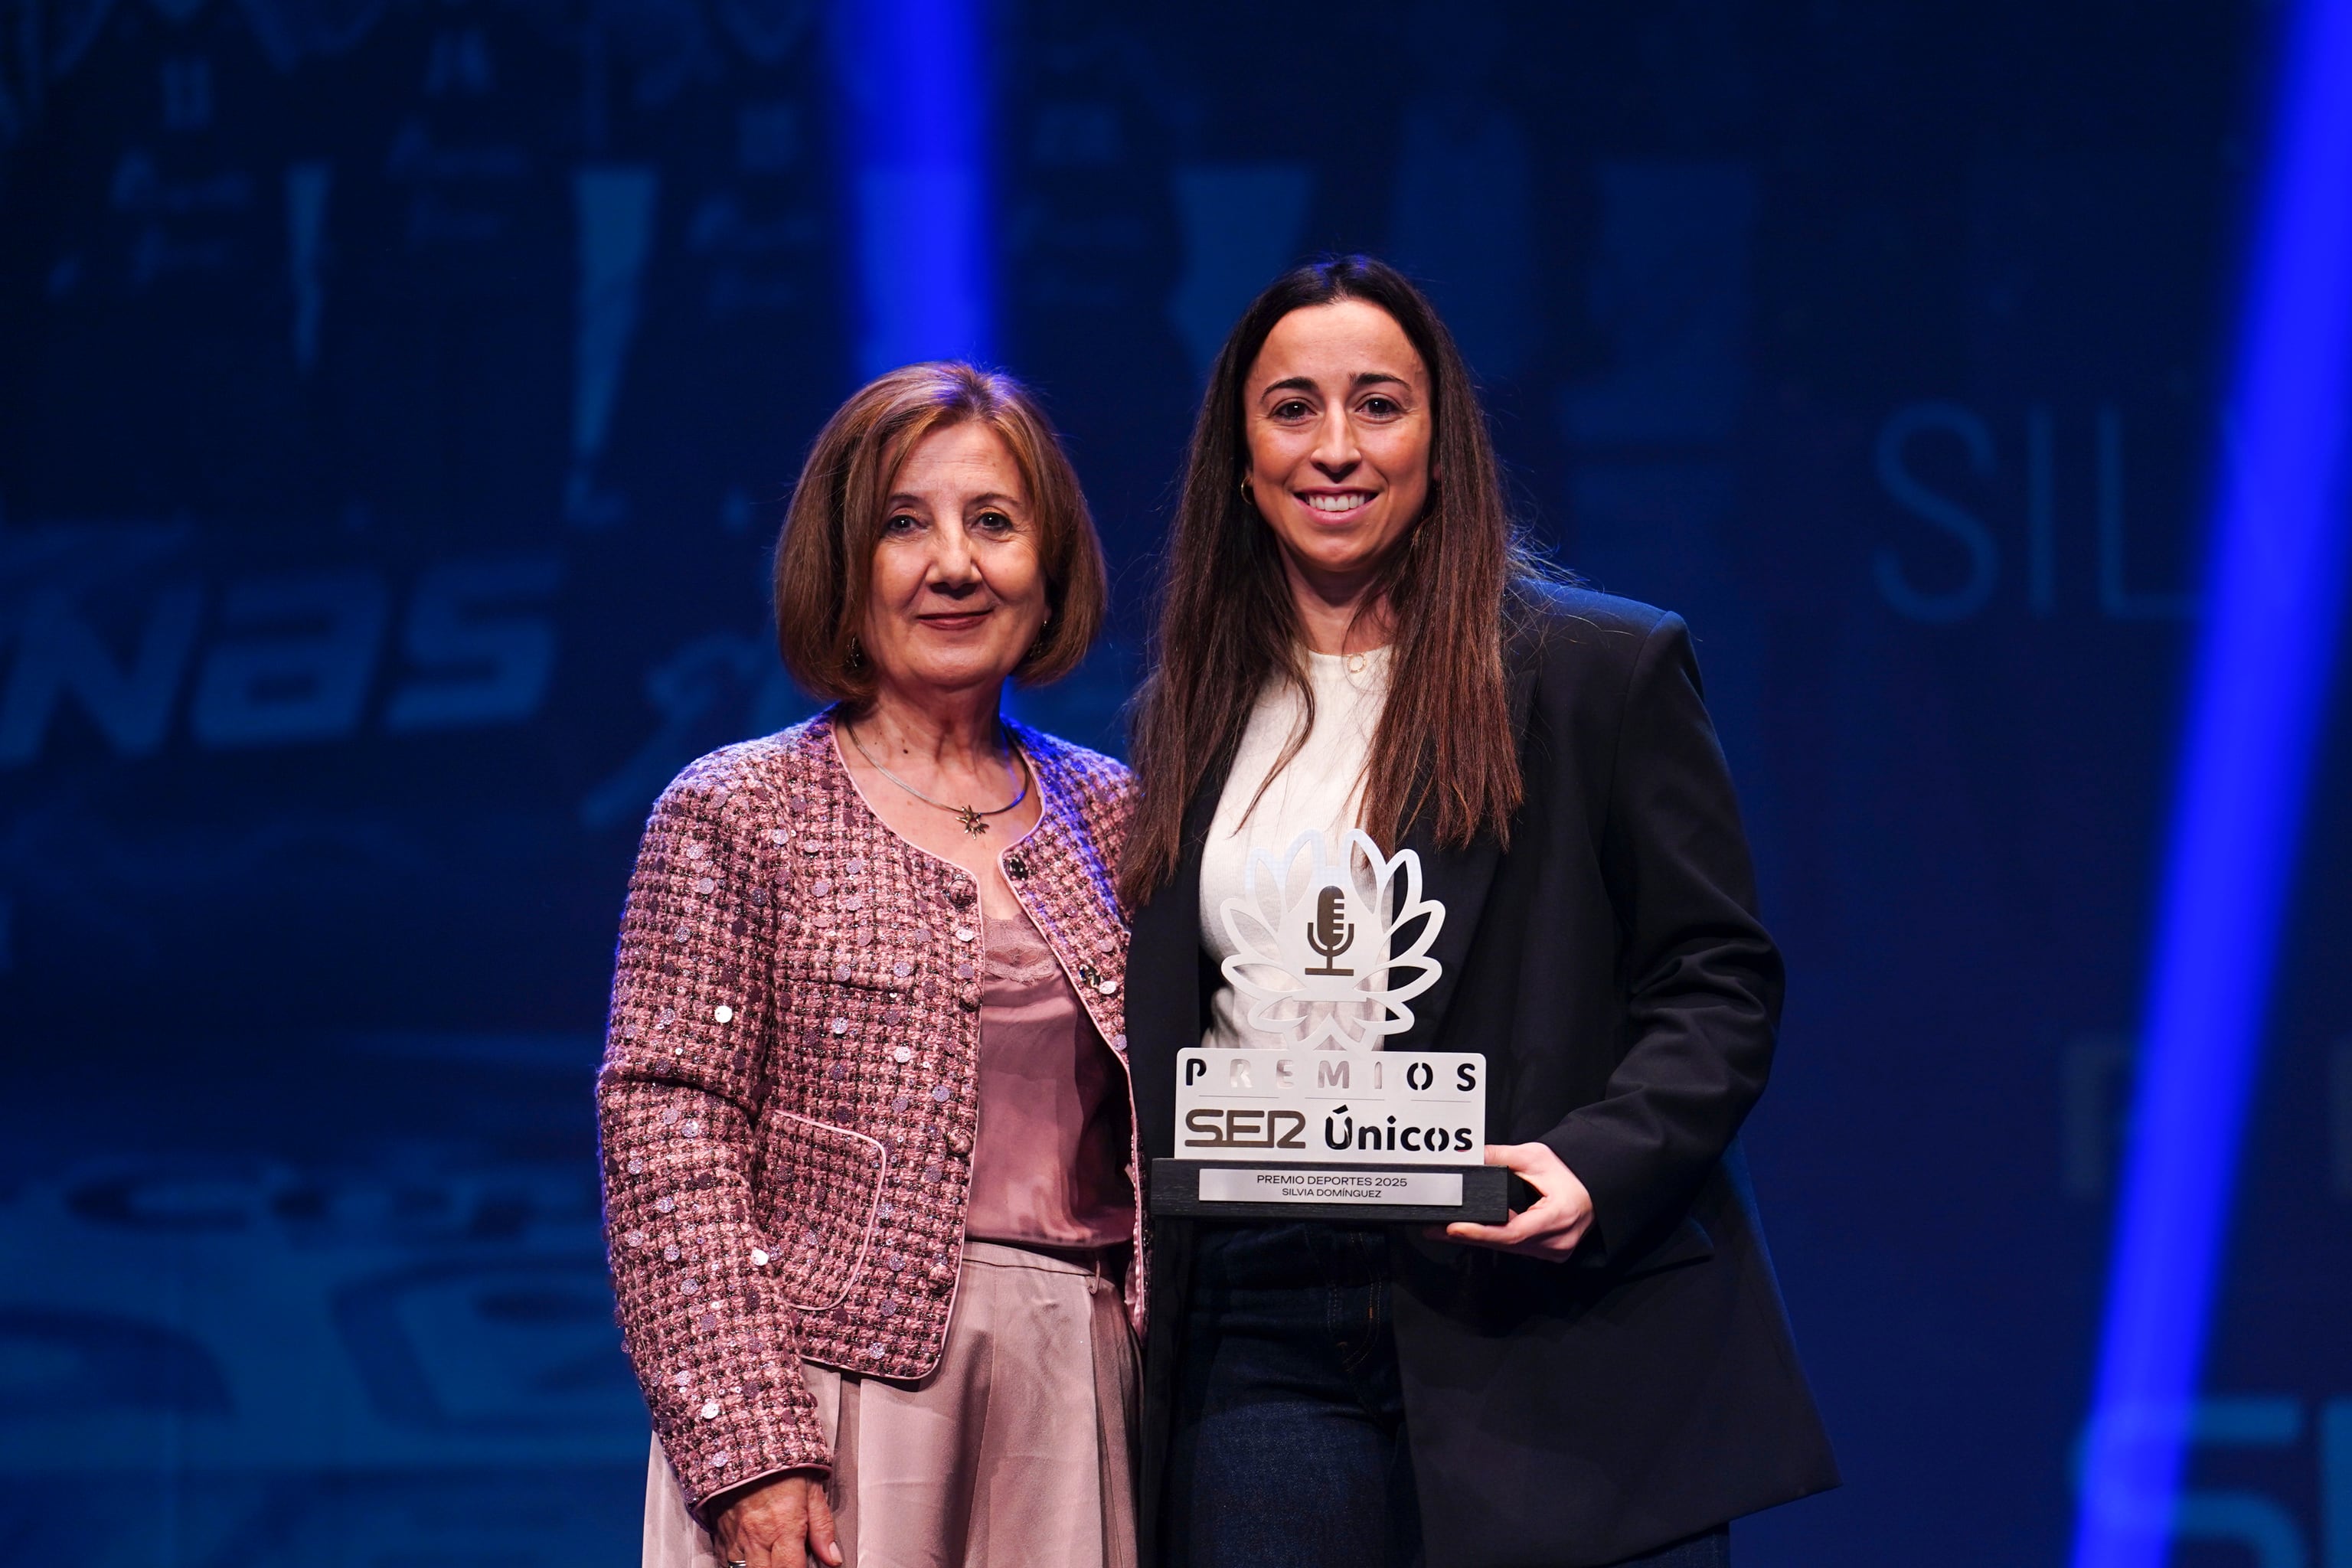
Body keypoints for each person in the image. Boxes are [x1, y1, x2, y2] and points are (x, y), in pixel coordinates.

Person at [1119, 258, 1838, 1568]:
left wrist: (1598, 1163)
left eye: (1378, 405)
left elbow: (1719, 978)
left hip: (1538, 1321)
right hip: (1260, 1329)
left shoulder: (1597, 673)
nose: (1335, 446)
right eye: (1292, 409)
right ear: (1237, 455)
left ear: (1441, 442)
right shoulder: (1187, 713)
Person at [599, 362, 1145, 1568]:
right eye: (906, 524)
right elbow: (667, 1136)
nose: (954, 563)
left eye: (994, 524)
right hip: (830, 1402)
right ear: (845, 572)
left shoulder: (1120, 816)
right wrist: (749, 1449)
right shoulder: (735, 810)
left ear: (1048, 571)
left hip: (1077, 1379)